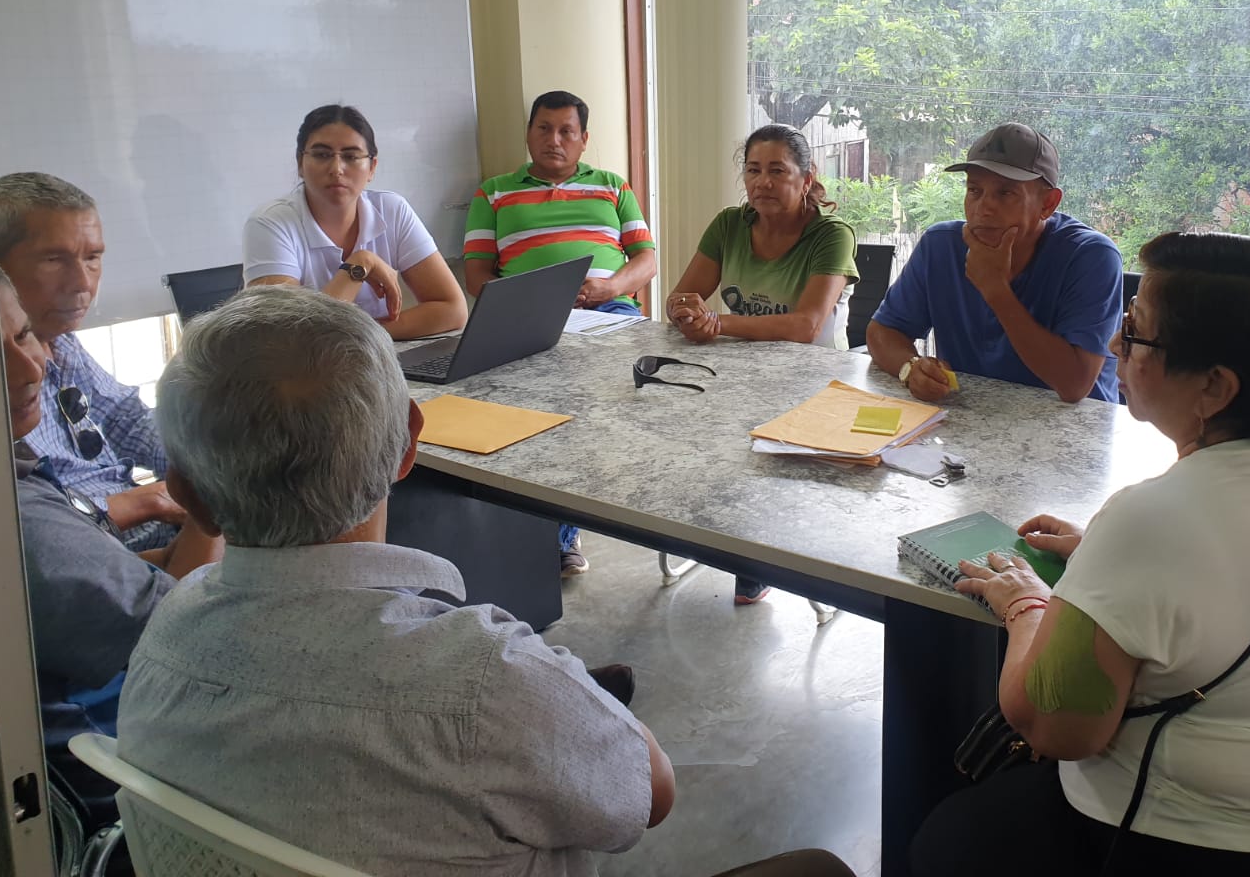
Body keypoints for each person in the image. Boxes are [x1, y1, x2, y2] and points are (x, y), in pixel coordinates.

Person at [117, 286, 851, 877]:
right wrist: (552, 699)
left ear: (187, 495)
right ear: (409, 444)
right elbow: (650, 793)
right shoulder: (482, 681)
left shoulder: (163, 636)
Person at [911, 232, 1250, 876]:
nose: (1114, 346)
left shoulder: (1149, 518)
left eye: (1135, 333)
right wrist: (1104, 562)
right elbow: (1236, 579)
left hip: (1222, 851)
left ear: (1214, 386)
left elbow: (1057, 728)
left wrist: (1026, 604)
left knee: (945, 840)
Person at [0, 265, 222, 825]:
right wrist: (215, 496)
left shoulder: (8, 464)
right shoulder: (12, 515)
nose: (30, 368)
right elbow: (189, 637)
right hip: (145, 788)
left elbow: (127, 419)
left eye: (23, 335)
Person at [464, 90, 658, 575]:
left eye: (566, 131)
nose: (554, 140)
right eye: (544, 128)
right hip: (528, 319)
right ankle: (560, 536)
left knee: (605, 399)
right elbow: (476, 277)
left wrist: (609, 286)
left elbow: (646, 259)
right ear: (529, 133)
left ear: (583, 139)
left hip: (610, 311)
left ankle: (586, 522)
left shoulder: (612, 186)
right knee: (553, 408)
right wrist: (530, 301)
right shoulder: (493, 193)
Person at [666, 123, 859, 604]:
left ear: (806, 178)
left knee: (751, 454)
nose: (763, 183)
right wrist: (687, 313)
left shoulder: (832, 235)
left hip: (811, 384)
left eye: (777, 171)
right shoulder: (729, 225)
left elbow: (806, 327)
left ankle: (756, 553)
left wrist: (718, 323)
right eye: (753, 170)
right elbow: (682, 296)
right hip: (735, 375)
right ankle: (724, 538)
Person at [0, 171, 183, 551]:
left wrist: (201, 463)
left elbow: (126, 417)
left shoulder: (61, 341)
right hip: (105, 562)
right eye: (53, 259)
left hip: (160, 539)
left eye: (92, 258)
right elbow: (33, 530)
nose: (82, 283)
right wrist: (143, 502)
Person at [866, 123, 1122, 405]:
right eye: (974, 190)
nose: (984, 208)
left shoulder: (1091, 257)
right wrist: (910, 368)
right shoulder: (941, 246)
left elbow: (1074, 385)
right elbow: (882, 332)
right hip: (969, 418)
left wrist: (996, 290)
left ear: (1048, 204)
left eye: (1006, 193)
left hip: (1075, 425)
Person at [243, 103, 468, 341]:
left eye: (351, 157)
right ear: (300, 163)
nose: (337, 169)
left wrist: (366, 336)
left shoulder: (392, 210)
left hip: (372, 352)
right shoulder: (270, 223)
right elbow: (289, 336)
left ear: (372, 168)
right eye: (322, 155)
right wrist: (359, 265)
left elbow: (452, 310)